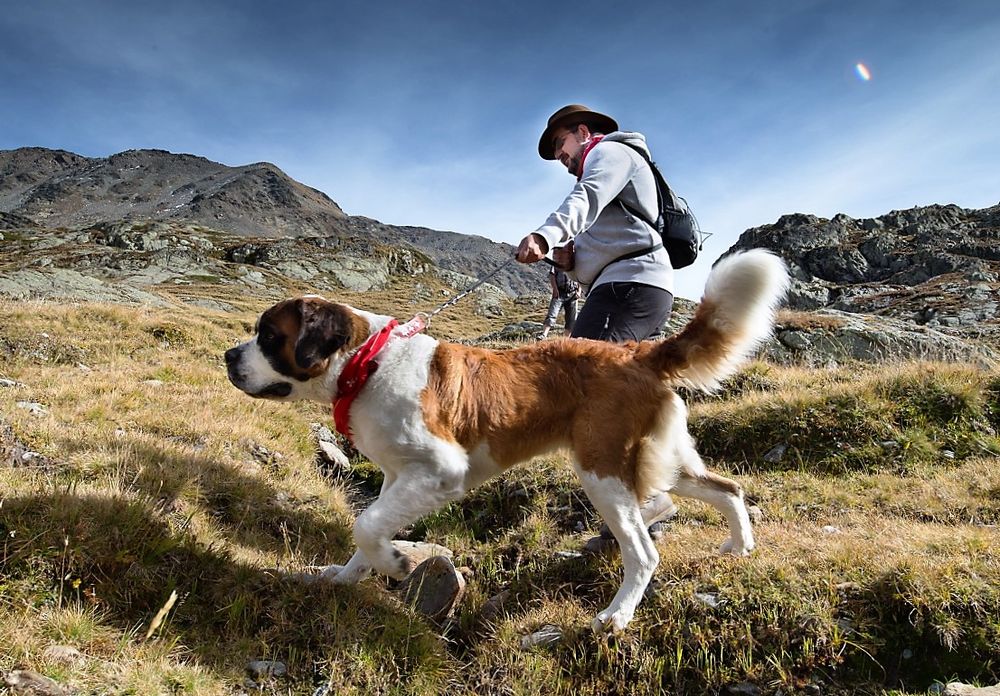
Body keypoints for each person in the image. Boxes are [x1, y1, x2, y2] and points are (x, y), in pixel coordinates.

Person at [515, 104, 673, 343]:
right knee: (627, 378)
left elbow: (585, 198)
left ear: (583, 132)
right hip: (637, 287)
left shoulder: (609, 152)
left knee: (576, 374)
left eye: (559, 143)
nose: (558, 155)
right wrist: (571, 266)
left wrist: (544, 236)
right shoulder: (606, 167)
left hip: (627, 286)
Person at [538, 266, 579, 339]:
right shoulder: (557, 260)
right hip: (560, 292)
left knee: (571, 318)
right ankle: (544, 334)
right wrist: (555, 289)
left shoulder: (576, 262)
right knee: (552, 313)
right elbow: (552, 275)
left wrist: (579, 291)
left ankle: (566, 339)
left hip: (573, 293)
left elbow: (580, 276)